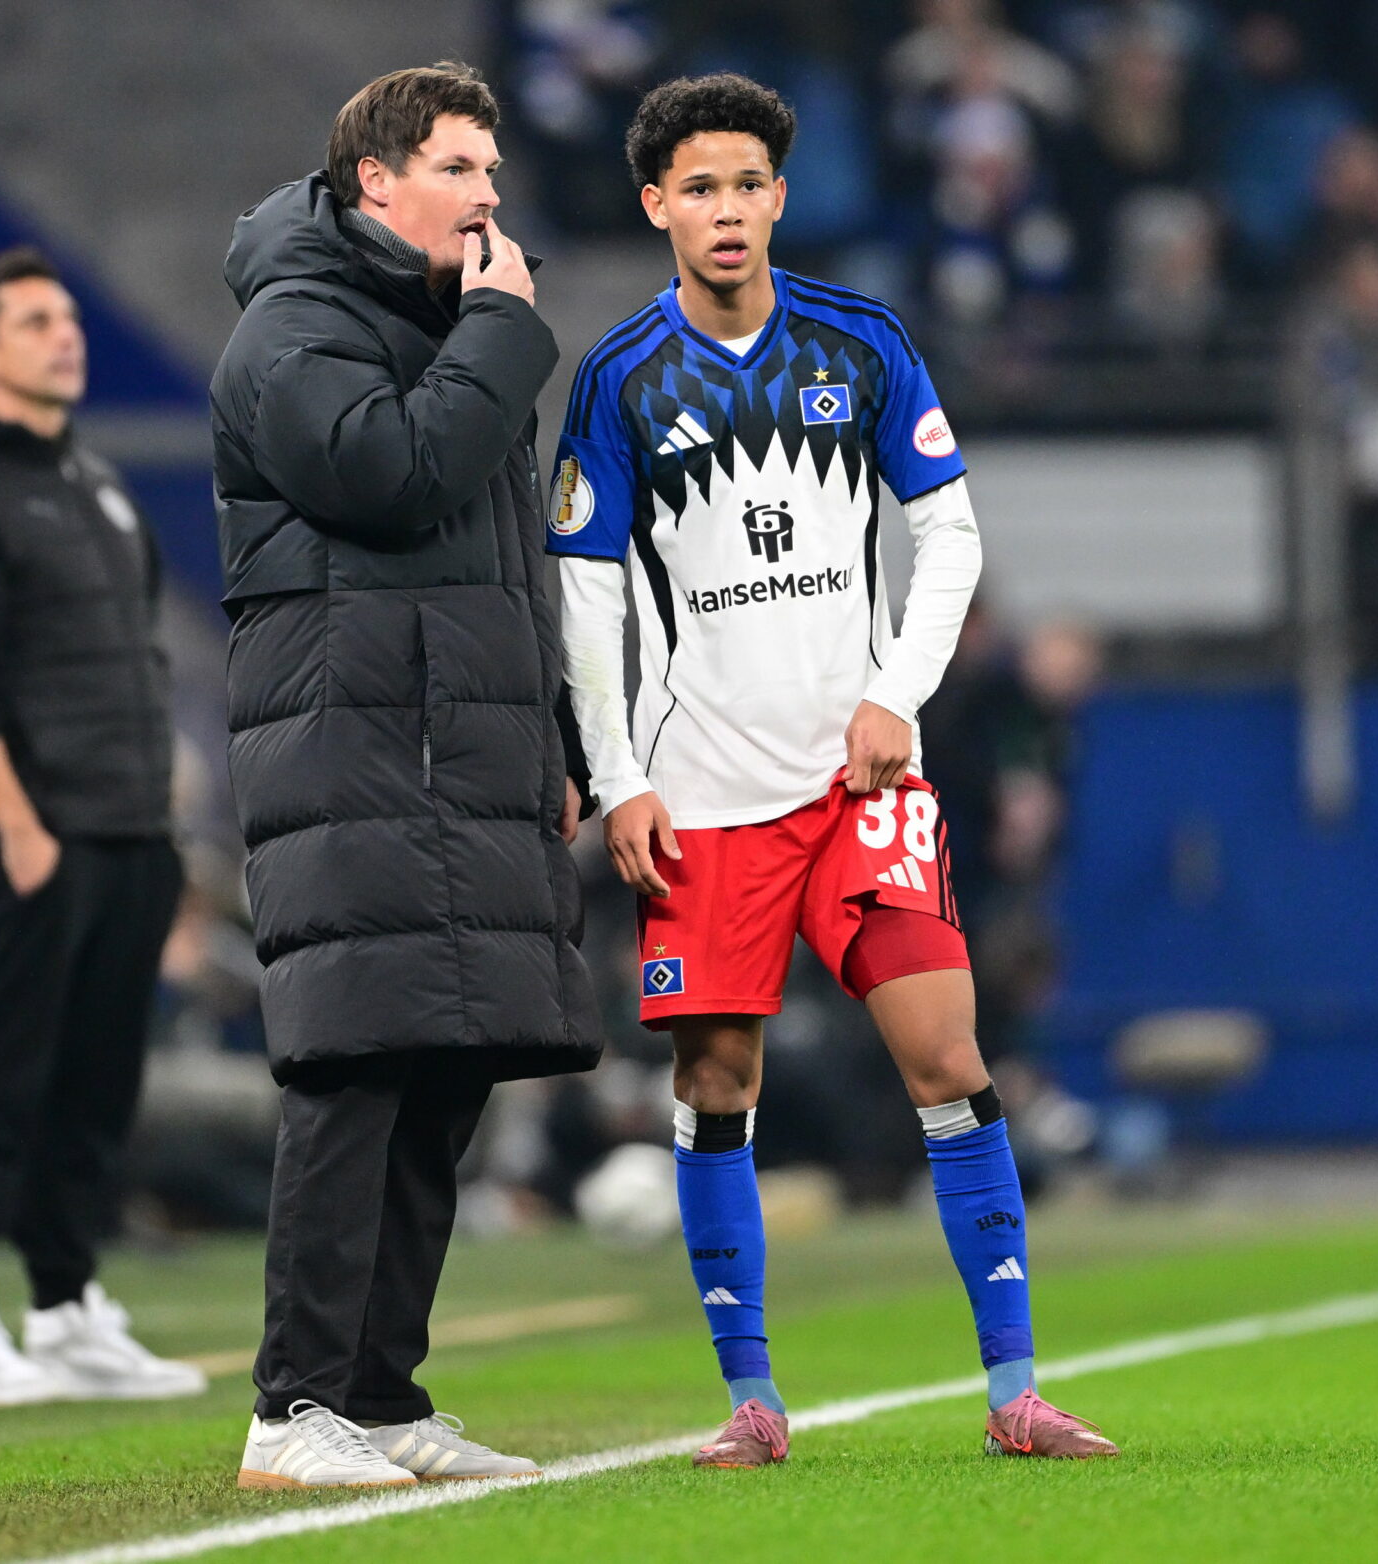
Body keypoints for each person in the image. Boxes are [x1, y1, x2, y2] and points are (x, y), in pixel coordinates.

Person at [553, 73, 1118, 1466]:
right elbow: (585, 599)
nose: (727, 210)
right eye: (699, 188)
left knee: (947, 1055)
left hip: (862, 790)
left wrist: (892, 697)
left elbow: (953, 538)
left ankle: (1016, 1392)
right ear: (657, 206)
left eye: (748, 184)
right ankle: (752, 1403)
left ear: (780, 197)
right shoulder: (620, 380)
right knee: (718, 1083)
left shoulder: (859, 344)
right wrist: (619, 774)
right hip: (703, 805)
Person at [210, 61, 601, 1489]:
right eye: (458, 169)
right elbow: (391, 477)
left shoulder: (447, 329)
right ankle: (292, 1406)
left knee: (444, 1066)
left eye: (493, 175)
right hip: (350, 744)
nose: (488, 198)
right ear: (375, 181)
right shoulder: (295, 329)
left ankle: (379, 1397)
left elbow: (507, 573)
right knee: (358, 1065)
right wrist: (501, 332)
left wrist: (553, 740)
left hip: (458, 742)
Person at [0, 247, 204, 1405]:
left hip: (128, 835)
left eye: (67, 317)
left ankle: (66, 1306)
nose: (62, 336)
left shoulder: (97, 484)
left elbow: (139, 661)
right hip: (32, 837)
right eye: (32, 321)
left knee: (93, 1087)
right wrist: (16, 822)